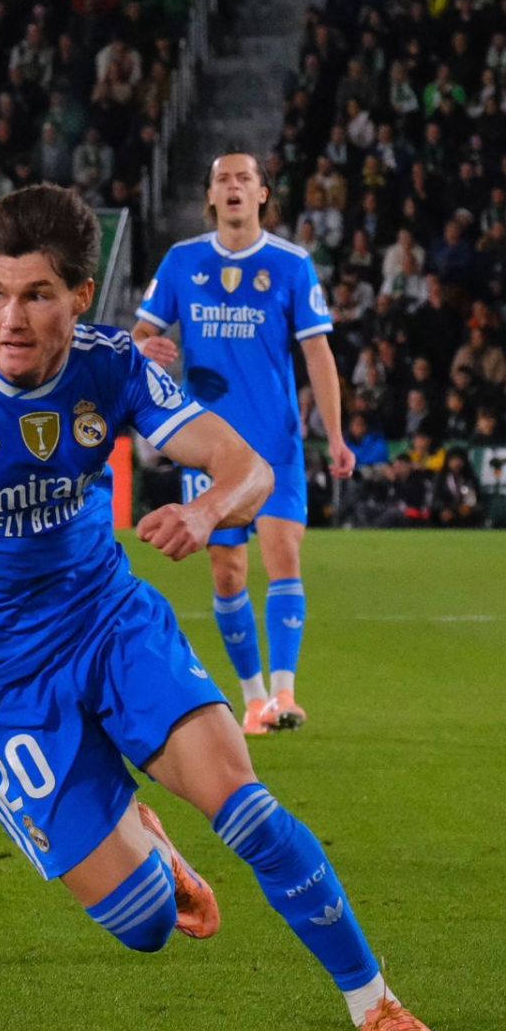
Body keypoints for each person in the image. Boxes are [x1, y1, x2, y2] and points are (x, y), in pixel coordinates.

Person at [0, 185, 441, 1031]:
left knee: (246, 809)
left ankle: (374, 1000)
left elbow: (246, 465)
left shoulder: (114, 368)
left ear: (80, 296)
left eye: (36, 295)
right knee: (145, 924)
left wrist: (203, 516)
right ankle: (148, 845)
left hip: (107, 622)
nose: (10, 318)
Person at [133, 151, 351, 735]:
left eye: (244, 179)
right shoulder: (182, 262)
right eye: (222, 180)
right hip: (208, 446)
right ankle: (253, 700)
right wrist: (145, 346)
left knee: (284, 558)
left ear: (261, 194)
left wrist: (334, 434)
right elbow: (142, 333)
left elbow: (317, 353)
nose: (233, 187)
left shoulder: (291, 264)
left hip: (275, 444)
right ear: (210, 197)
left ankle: (286, 695)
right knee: (228, 572)